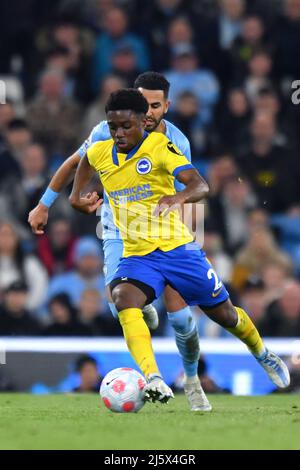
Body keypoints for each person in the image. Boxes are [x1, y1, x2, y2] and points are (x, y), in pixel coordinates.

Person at [70, 88, 290, 407]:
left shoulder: (160, 146)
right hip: (138, 256)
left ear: (142, 122)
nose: (118, 133)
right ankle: (154, 377)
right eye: (113, 126)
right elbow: (82, 175)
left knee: (226, 316)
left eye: (125, 126)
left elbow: (200, 184)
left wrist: (179, 197)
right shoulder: (100, 152)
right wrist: (79, 201)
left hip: (179, 251)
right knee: (122, 298)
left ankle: (262, 353)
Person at [28, 72, 207, 410]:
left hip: (162, 236)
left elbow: (184, 193)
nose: (149, 112)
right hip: (116, 230)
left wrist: (188, 243)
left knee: (183, 320)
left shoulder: (177, 143)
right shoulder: (106, 131)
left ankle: (192, 380)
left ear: (166, 106)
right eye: (143, 103)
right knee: (117, 305)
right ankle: (144, 313)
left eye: (155, 105)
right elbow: (74, 163)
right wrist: (43, 204)